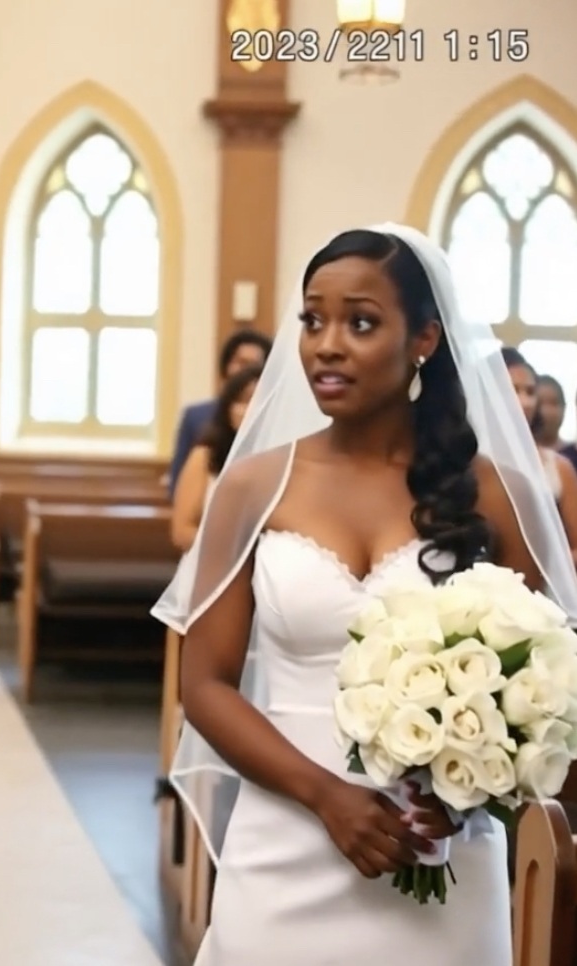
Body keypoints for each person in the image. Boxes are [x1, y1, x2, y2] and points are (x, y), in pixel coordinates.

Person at [152, 223, 577, 966]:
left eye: (360, 323)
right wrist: (326, 796)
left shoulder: (494, 496)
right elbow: (205, 684)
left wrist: (468, 788)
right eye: (312, 320)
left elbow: (543, 685)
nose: (326, 345)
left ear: (424, 340)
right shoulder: (253, 486)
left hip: (438, 850)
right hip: (283, 837)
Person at [167, 328, 272, 493]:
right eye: (241, 362)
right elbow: (177, 483)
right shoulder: (195, 416)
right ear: (227, 366)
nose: (247, 370)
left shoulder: (276, 420)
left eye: (255, 364)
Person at [171, 364, 262, 552]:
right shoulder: (205, 455)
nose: (250, 410)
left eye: (259, 401)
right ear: (227, 408)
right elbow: (182, 531)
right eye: (243, 401)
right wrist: (230, 553)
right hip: (211, 559)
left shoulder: (289, 458)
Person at [502, 348, 577, 563]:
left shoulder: (558, 466)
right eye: (514, 390)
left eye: (530, 392)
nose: (525, 402)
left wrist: (549, 566)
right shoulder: (465, 461)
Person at [536, 373, 577, 473]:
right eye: (540, 403)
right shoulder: (522, 457)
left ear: (564, 407)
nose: (547, 411)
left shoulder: (574, 454)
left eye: (553, 403)